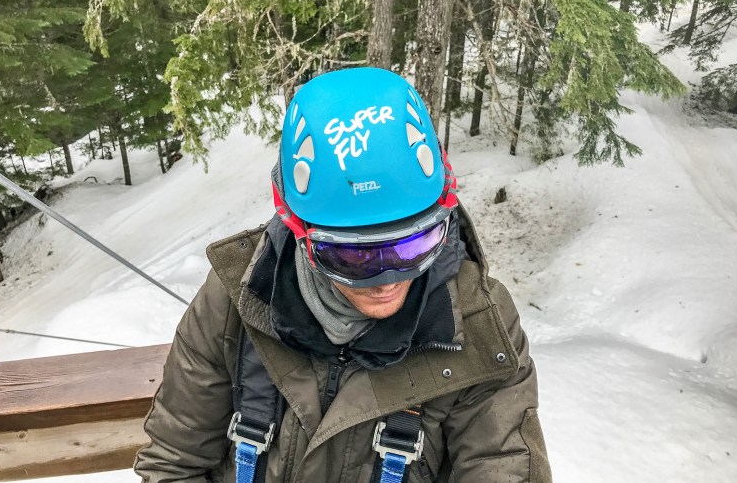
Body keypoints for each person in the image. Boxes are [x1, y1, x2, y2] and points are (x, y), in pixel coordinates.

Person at [135, 67, 551, 482]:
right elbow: (173, 463)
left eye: (414, 246)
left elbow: (504, 467)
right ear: (299, 232)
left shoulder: (479, 322)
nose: (387, 280)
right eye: (354, 258)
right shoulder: (236, 299)